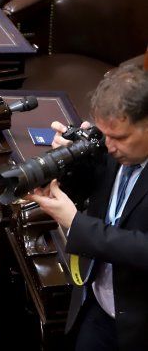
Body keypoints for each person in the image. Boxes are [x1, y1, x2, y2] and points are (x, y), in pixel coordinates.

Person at [28, 65, 148, 351]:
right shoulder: (113, 148)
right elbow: (96, 191)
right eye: (104, 135)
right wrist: (68, 168)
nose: (109, 146)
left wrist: (74, 223)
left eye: (119, 137)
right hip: (96, 306)